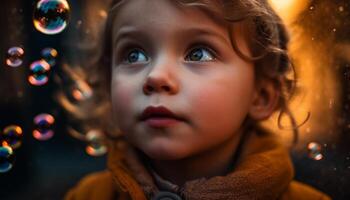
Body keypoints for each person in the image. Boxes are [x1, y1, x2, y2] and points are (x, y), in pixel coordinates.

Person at [64, 0, 332, 199]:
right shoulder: (87, 195)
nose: (156, 76)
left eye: (198, 54)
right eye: (134, 55)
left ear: (261, 95)